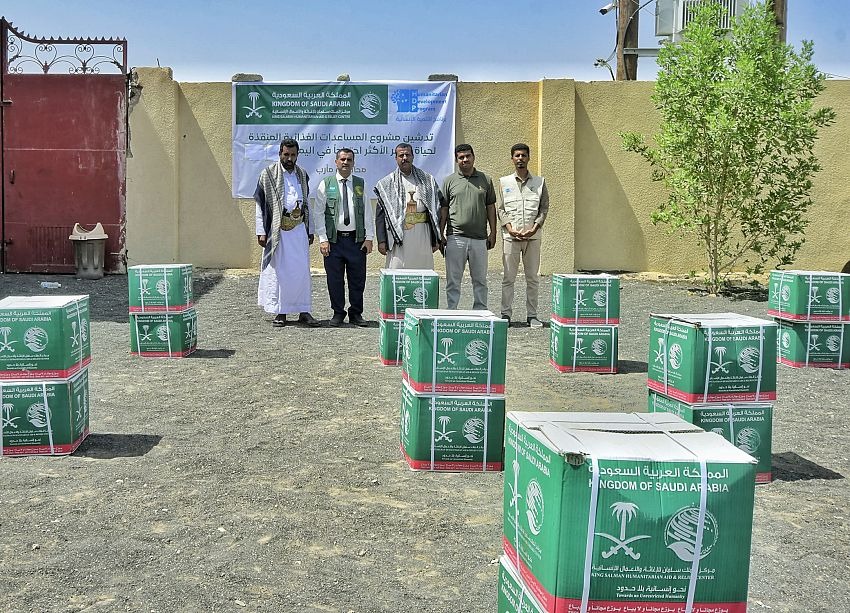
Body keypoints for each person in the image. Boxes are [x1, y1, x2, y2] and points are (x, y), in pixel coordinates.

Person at [255, 138, 320, 328]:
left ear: (297, 155)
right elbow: (260, 206)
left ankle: (303, 310)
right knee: (279, 272)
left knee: (301, 271)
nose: (289, 158)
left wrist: (310, 229)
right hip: (278, 231)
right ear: (280, 154)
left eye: (293, 155)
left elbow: (307, 204)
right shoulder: (268, 174)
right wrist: (261, 231)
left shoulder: (302, 174)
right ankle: (280, 312)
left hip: (299, 229)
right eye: (286, 154)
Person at [313, 148, 375, 327]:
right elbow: (318, 214)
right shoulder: (326, 184)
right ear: (336, 162)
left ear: (353, 162)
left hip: (356, 241)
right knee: (335, 279)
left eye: (349, 159)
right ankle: (338, 313)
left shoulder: (360, 184)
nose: (345, 162)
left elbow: (367, 213)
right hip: (334, 241)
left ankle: (356, 313)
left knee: (358, 280)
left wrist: (369, 237)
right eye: (342, 159)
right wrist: (323, 239)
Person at [497, 143, 550, 327]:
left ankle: (532, 315)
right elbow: (501, 209)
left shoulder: (540, 182)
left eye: (523, 155)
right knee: (508, 278)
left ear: (528, 158)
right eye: (517, 155)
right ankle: (505, 314)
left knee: (532, 278)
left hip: (532, 238)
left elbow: (544, 208)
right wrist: (509, 227)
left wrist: (535, 227)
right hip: (511, 237)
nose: (520, 158)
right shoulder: (504, 182)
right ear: (512, 158)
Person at [439, 144, 497, 310]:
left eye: (468, 156)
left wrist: (493, 233)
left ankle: (480, 309)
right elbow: (444, 209)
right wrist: (440, 233)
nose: (465, 160)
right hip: (455, 237)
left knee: (480, 279)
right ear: (456, 160)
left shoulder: (486, 180)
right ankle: (451, 309)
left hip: (479, 238)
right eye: (461, 157)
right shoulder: (449, 181)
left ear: (473, 157)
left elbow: (491, 207)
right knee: (453, 279)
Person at [374, 143, 442, 269]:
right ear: (396, 158)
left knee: (422, 270)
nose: (404, 158)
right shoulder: (387, 183)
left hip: (423, 232)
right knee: (398, 270)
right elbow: (380, 215)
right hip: (398, 235)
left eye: (407, 155)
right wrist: (382, 241)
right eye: (401, 155)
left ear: (413, 157)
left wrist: (436, 238)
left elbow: (436, 208)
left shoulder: (427, 180)